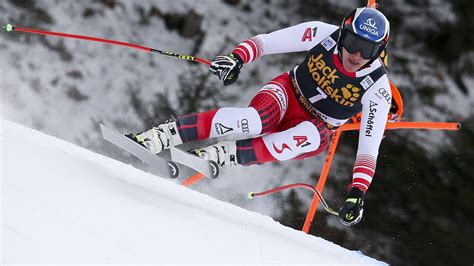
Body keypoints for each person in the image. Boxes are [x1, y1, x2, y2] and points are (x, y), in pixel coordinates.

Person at [130, 7, 392, 226]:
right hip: (289, 93)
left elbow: (369, 149)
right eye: (353, 42)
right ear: (343, 33)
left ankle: (220, 154)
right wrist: (237, 58)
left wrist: (357, 193)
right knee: (254, 120)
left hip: (317, 124)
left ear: (379, 50)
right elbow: (266, 42)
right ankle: (158, 137)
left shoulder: (377, 89)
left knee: (307, 138)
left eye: (367, 49)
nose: (356, 54)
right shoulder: (323, 35)